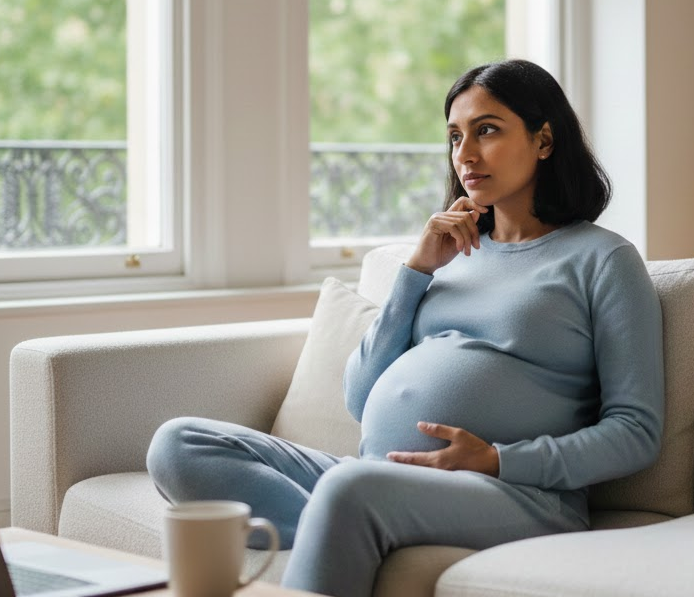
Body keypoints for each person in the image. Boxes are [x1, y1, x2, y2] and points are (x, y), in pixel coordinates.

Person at [146, 59, 664, 597]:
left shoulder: (602, 260)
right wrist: (414, 273)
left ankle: (350, 517)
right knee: (179, 443)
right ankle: (347, 526)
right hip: (377, 476)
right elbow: (359, 396)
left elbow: (636, 431)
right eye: (455, 136)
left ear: (544, 140)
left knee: (350, 488)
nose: (465, 154)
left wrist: (498, 459)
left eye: (487, 130)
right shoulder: (450, 256)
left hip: (519, 493)